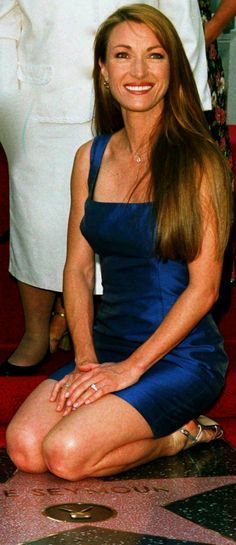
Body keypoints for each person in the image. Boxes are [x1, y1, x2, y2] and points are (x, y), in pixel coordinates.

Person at [6, 4, 233, 481]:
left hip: (179, 355)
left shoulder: (199, 162)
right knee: (25, 447)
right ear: (104, 70)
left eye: (155, 57)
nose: (139, 71)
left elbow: (206, 288)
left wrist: (129, 370)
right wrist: (87, 360)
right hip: (108, 347)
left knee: (66, 454)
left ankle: (181, 434)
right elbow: (78, 269)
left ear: (173, 69)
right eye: (123, 55)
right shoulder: (90, 157)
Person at [0, 0, 211, 375]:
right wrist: (8, 97)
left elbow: (181, 19)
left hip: (144, 92)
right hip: (43, 99)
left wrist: (191, 102)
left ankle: (115, 331)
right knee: (37, 219)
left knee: (139, 229)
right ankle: (35, 333)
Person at [198, 0, 236, 281]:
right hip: (137, 49)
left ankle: (216, 262)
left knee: (206, 160)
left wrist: (206, 34)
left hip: (195, 52)